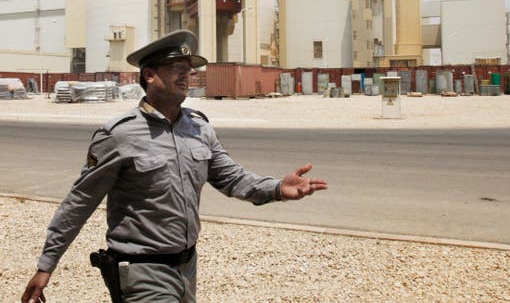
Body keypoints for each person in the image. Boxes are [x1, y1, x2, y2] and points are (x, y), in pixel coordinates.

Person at [22, 30, 328, 303]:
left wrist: (277, 188)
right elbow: (80, 201)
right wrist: (46, 265)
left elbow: (233, 179)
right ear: (150, 75)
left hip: (187, 267)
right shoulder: (119, 134)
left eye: (188, 70)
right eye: (176, 69)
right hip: (142, 271)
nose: (186, 76)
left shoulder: (199, 128)